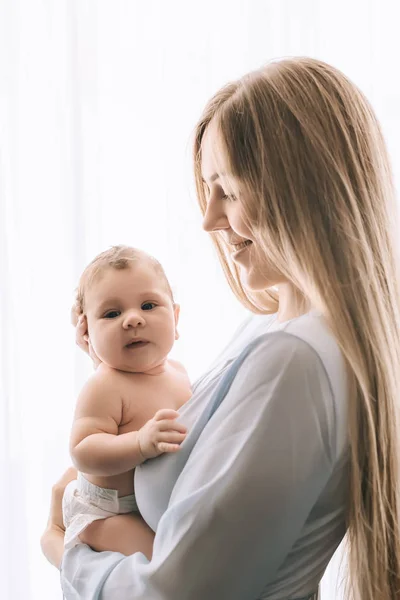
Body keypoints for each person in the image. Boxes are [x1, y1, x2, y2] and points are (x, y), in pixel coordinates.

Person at [41, 57, 400, 600]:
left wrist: (65, 548)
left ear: (299, 189)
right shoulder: (267, 330)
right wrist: (111, 370)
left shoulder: (295, 361)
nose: (209, 219)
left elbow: (181, 593)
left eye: (226, 190)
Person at [61, 245, 192, 556]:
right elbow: (82, 449)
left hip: (154, 507)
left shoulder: (179, 373)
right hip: (108, 513)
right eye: (112, 313)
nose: (132, 319)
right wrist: (140, 443)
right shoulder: (105, 386)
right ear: (87, 332)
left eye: (148, 305)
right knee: (163, 557)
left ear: (174, 317)